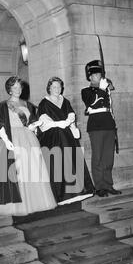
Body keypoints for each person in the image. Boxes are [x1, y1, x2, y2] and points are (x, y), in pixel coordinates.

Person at [0, 76, 57, 216]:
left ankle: (37, 202)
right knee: (17, 172)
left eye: (19, 87)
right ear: (9, 90)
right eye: (14, 87)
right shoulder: (3, 105)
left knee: (32, 170)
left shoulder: (27, 105)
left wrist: (36, 124)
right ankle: (19, 205)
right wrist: (6, 140)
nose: (18, 90)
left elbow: (30, 124)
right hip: (13, 138)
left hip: (28, 138)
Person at [36, 77, 94, 205]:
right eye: (54, 87)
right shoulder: (44, 103)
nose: (57, 89)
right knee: (59, 164)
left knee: (72, 161)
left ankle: (78, 192)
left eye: (59, 87)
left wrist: (69, 120)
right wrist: (60, 123)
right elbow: (44, 121)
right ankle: (62, 195)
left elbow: (71, 113)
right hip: (53, 138)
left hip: (67, 136)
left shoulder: (65, 100)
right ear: (49, 88)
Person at [81, 60, 121, 197]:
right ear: (90, 77)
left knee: (108, 158)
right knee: (97, 157)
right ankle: (99, 187)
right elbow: (91, 101)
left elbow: (109, 104)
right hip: (96, 126)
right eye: (96, 74)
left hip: (109, 124)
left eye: (100, 73)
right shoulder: (86, 91)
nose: (99, 76)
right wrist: (102, 89)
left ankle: (108, 185)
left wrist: (105, 88)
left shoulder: (106, 88)